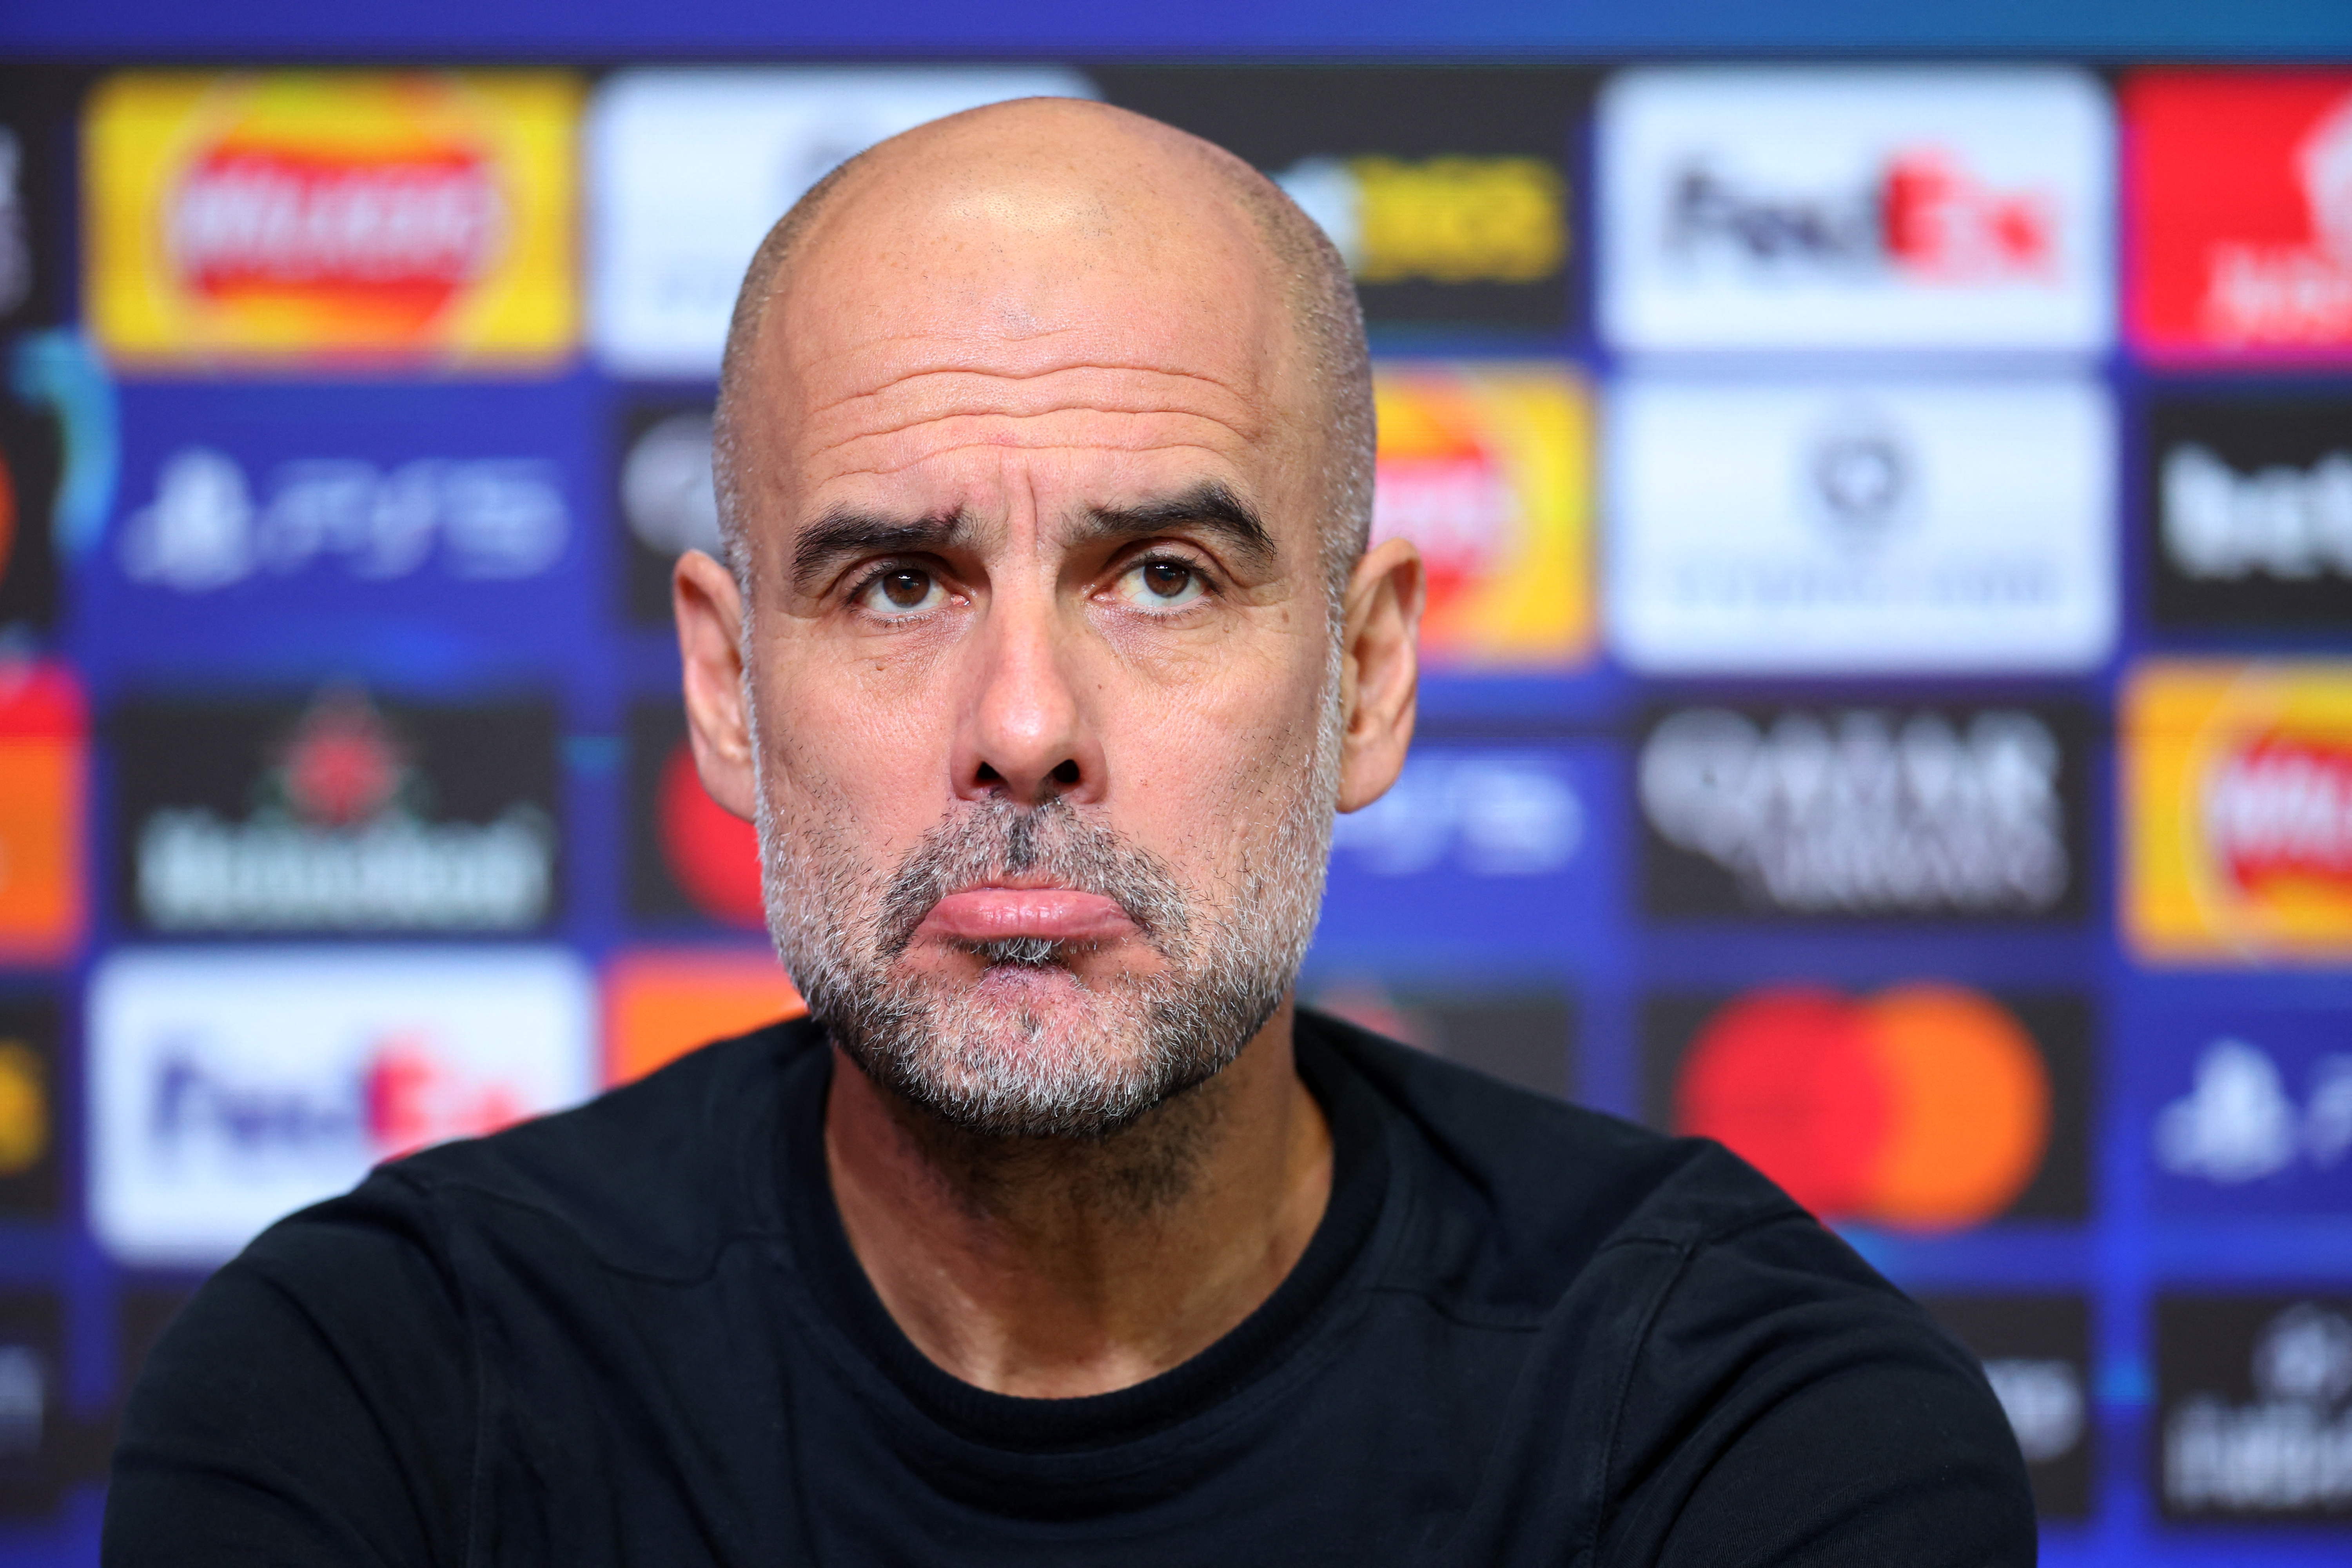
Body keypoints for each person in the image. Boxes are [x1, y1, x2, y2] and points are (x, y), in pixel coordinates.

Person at [104, 99, 2034, 1565]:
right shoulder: (371, 1400)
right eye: (897, 584)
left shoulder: (1746, 1436)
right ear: (727, 690)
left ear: (1368, 676)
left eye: (1165, 576)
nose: (1024, 728)